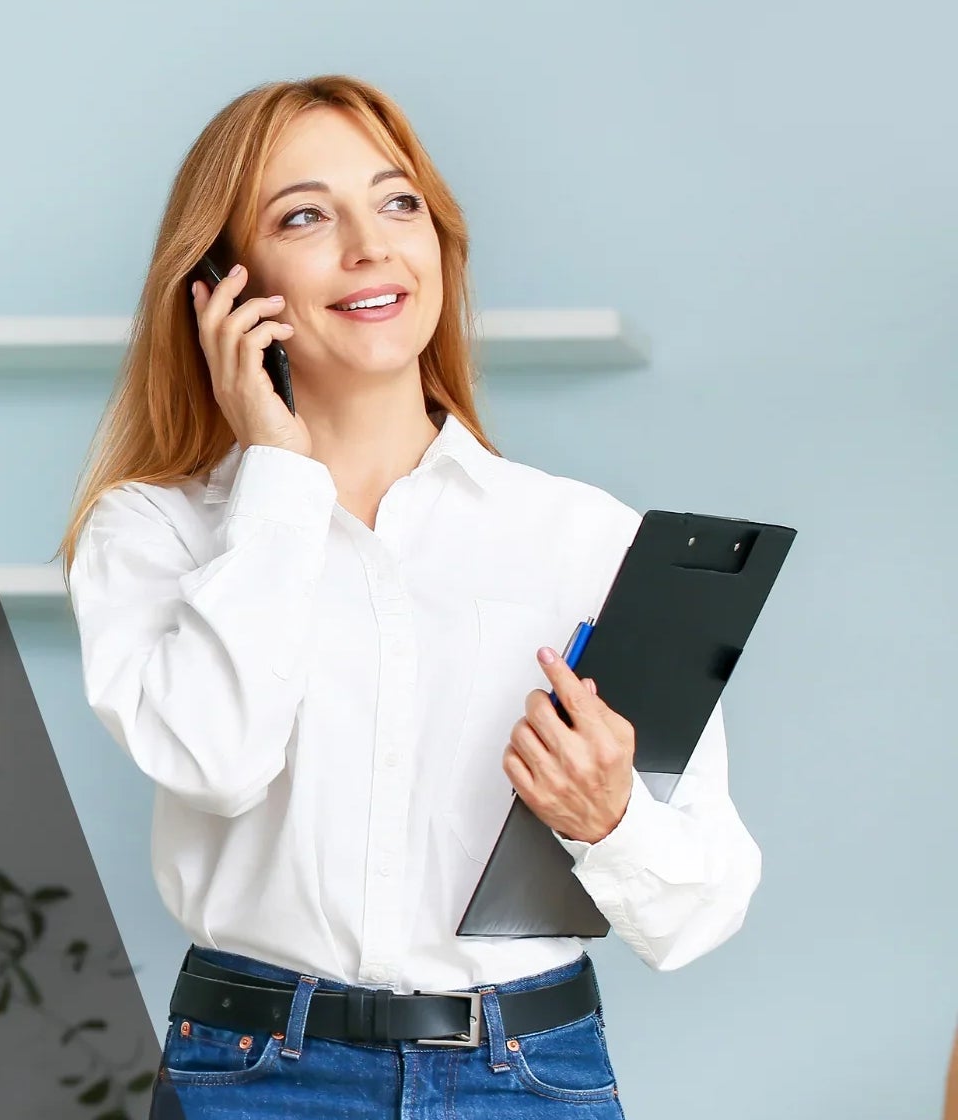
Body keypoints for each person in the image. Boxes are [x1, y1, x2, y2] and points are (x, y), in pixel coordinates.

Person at [56, 75, 762, 1117]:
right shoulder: (152, 531)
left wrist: (609, 819)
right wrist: (277, 477)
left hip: (528, 1075)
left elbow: (699, 906)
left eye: (396, 204)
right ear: (220, 285)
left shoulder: (584, 538)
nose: (368, 247)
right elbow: (213, 759)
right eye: (303, 216)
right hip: (253, 1079)